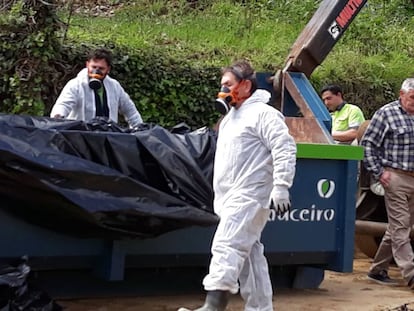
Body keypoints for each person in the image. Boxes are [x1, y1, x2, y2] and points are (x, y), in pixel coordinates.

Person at [178, 60, 297, 311]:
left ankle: (214, 305)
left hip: (250, 195)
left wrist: (282, 186)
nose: (223, 90)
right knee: (249, 256)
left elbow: (284, 147)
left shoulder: (264, 114)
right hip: (229, 196)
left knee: (226, 244)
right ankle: (260, 308)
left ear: (245, 86)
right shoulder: (231, 118)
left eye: (228, 85)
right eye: (222, 85)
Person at [361, 78, 414, 288]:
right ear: (401, 94)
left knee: (399, 227)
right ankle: (411, 273)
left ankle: (377, 269)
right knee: (401, 227)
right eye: (412, 98)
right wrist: (379, 172)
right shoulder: (386, 114)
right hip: (395, 177)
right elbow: (367, 144)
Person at [50, 48, 143, 128]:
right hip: (81, 138)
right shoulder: (76, 85)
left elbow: (130, 110)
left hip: (107, 138)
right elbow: (63, 105)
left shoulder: (115, 86)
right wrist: (58, 117)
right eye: (93, 67)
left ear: (108, 69)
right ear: (87, 65)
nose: (96, 71)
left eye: (101, 68)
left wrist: (140, 129)